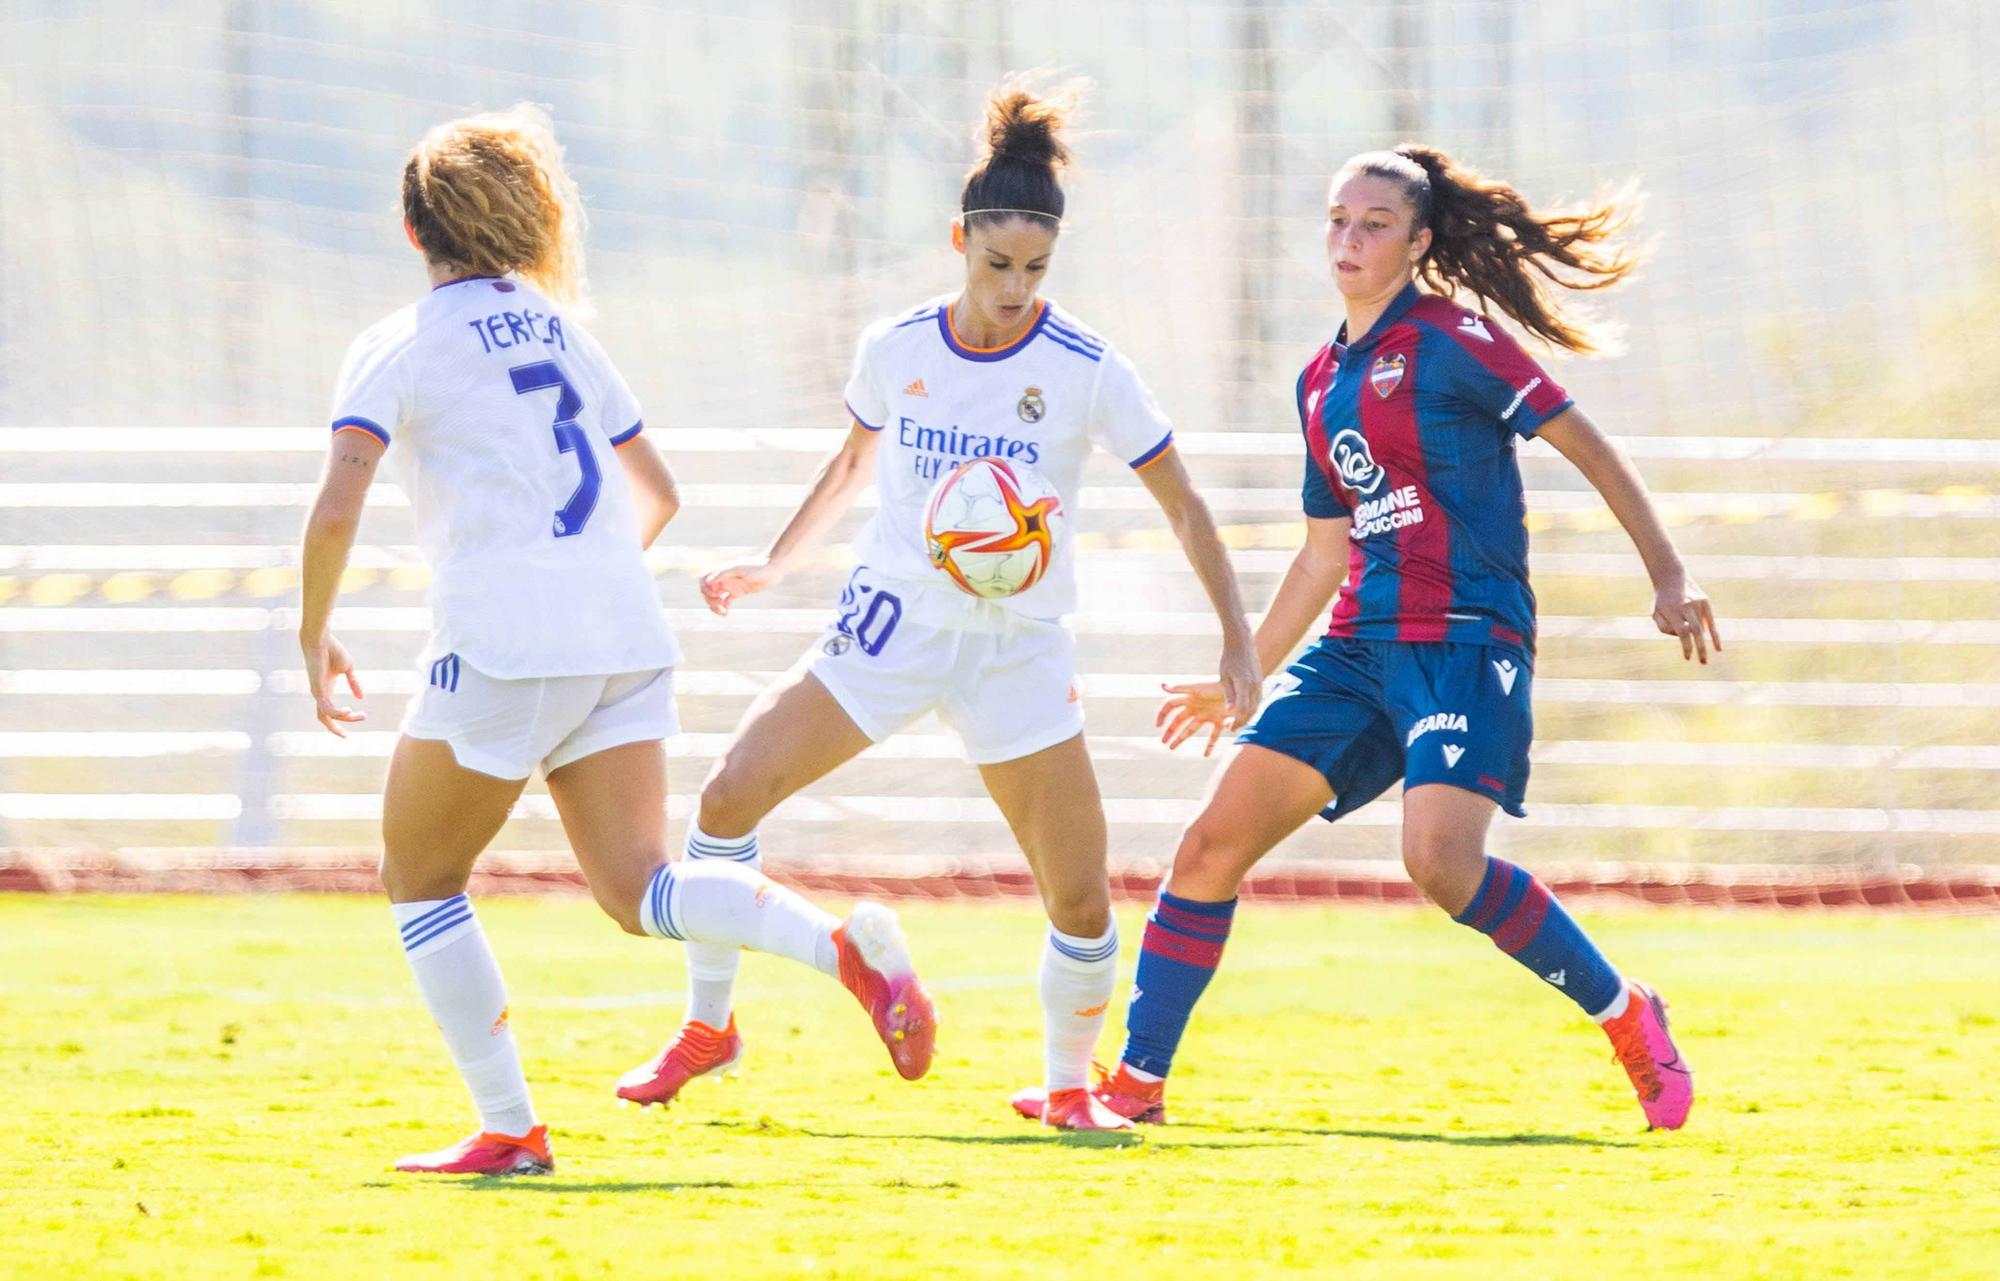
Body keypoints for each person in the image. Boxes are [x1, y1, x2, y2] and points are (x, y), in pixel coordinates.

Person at [614, 79, 1261, 1133]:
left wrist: (1236, 640)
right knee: (727, 798)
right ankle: (708, 1029)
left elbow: (1181, 502)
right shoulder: (899, 347)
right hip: (891, 626)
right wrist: (777, 565)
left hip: (1014, 648)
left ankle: (1064, 1094)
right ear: (958, 240)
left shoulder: (1088, 368)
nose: (1015, 288)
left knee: (1081, 898)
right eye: (996, 264)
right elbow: (851, 462)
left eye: (1036, 269)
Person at [300, 105, 935, 1177]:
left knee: (420, 878)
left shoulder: (397, 343)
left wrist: (314, 636)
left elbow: (334, 507)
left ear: (414, 234)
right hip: (622, 632)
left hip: (506, 646)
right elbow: (659, 492)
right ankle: (837, 947)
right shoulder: (562, 331)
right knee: (640, 888)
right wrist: (583, 582)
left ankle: (510, 1128)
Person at [1030, 144, 1720, 1132]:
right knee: (1207, 848)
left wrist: (1667, 569)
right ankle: (1134, 1087)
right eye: (1336, 221)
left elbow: (1586, 444)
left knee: (1439, 865)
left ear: (1417, 241)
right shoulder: (1319, 378)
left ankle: (1623, 1012)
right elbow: (1321, 556)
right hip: (1356, 650)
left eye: (1373, 225)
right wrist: (1244, 673)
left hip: (1462, 640)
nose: (1347, 240)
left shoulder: (1455, 340)